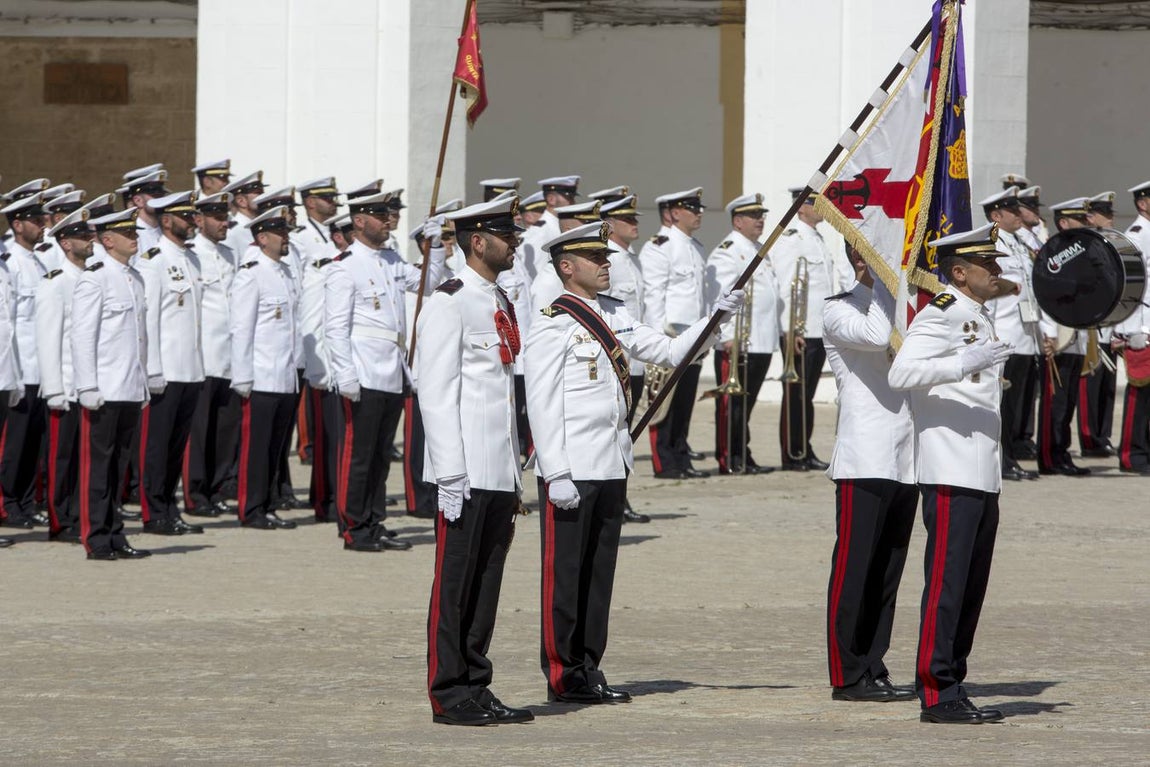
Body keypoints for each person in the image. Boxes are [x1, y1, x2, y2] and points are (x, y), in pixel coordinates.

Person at [525, 220, 742, 705]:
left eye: (605, 257)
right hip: (572, 468)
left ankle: (588, 667)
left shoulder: (616, 314)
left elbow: (665, 351)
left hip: (610, 462)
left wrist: (714, 321)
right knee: (565, 576)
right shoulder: (552, 321)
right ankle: (563, 673)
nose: (606, 264)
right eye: (595, 259)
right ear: (567, 266)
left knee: (598, 575)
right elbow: (539, 402)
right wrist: (555, 472)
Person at [888, 223, 1011, 725]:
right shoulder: (942, 313)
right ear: (959, 272)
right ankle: (937, 690)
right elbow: (901, 374)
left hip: (983, 467)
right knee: (946, 583)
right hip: (950, 466)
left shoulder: (979, 314)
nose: (997, 271)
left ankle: (953, 680)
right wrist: (963, 363)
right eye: (989, 265)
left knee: (970, 584)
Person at [418, 195, 533, 726]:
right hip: (464, 469)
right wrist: (449, 472)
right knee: (456, 583)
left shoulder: (499, 300)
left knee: (487, 583)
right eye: (507, 237)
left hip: (498, 467)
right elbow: (435, 391)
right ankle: (448, 691)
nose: (516, 244)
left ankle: (476, 682)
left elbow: (504, 391)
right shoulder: (451, 300)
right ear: (478, 242)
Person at [325, 192, 446, 551]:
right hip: (361, 371)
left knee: (379, 457)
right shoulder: (343, 266)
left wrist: (435, 247)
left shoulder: (391, 260)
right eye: (378, 214)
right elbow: (335, 327)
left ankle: (374, 521)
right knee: (358, 456)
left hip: (392, 370)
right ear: (359, 221)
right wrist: (344, 374)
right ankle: (353, 528)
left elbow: (430, 284)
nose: (387, 220)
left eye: (387, 213)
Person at [822, 246, 916, 703]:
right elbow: (878, 337)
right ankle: (847, 671)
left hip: (906, 454)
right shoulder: (838, 308)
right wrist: (884, 280)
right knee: (854, 567)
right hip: (864, 455)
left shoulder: (903, 304)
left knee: (887, 571)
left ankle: (874, 662)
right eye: (867, 253)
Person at [71, 208, 153, 561]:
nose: (134, 237)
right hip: (103, 390)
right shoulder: (95, 279)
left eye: (134, 232)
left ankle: (116, 534)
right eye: (126, 233)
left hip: (129, 388)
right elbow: (82, 336)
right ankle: (96, 538)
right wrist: (87, 385)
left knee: (119, 468)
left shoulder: (135, 278)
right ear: (107, 240)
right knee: (98, 469)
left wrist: (144, 381)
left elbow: (139, 338)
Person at [136, 191, 207, 536]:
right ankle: (153, 512)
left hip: (190, 368)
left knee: (177, 446)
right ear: (166, 221)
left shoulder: (191, 259)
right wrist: (152, 368)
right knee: (157, 446)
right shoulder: (153, 260)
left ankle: (169, 507)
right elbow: (148, 318)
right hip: (164, 370)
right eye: (185, 216)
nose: (192, 220)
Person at [229, 206, 302, 530]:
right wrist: (243, 375)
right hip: (260, 376)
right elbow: (241, 329)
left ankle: (269, 503)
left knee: (276, 448)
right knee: (256, 449)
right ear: (262, 237)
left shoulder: (285, 272)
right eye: (280, 233)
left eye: (286, 232)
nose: (286, 238)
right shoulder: (251, 273)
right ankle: (251, 508)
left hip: (285, 374)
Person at [772, 188, 849, 471]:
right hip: (800, 332)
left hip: (819, 329)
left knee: (807, 394)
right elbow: (785, 287)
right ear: (801, 207)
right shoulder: (791, 238)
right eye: (819, 204)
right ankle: (792, 453)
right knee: (796, 395)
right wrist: (792, 331)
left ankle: (804, 448)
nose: (824, 209)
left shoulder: (816, 238)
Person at [705, 193, 779, 475]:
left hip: (760, 339)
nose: (761, 220)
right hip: (737, 342)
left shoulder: (759, 248)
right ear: (738, 221)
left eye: (762, 215)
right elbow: (720, 296)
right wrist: (725, 336)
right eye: (754, 216)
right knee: (730, 404)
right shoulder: (727, 250)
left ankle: (742, 453)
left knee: (746, 404)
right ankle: (728, 457)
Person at [641, 187, 710, 479]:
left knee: (684, 401)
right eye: (692, 209)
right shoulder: (659, 246)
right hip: (670, 337)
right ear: (673, 213)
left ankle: (681, 456)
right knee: (664, 402)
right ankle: (664, 461)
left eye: (698, 209)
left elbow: (701, 296)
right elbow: (654, 296)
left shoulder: (697, 247)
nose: (699, 214)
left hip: (693, 336)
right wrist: (658, 341)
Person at [36, 207, 96, 543]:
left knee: (81, 458)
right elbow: (49, 340)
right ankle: (60, 520)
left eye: (90, 235)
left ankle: (78, 513)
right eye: (82, 236)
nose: (90, 241)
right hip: (65, 386)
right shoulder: (55, 283)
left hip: (86, 385)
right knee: (61, 458)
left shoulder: (92, 278)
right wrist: (55, 389)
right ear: (64, 242)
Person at [981, 188, 1042, 481]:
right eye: (1013, 211)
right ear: (996, 215)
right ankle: (1002, 461)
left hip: (1025, 335)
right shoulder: (992, 245)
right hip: (1004, 335)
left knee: (1018, 405)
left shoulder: (1019, 242)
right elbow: (989, 293)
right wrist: (988, 335)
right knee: (1003, 406)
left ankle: (1011, 457)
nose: (1019, 216)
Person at [0, 191, 51, 529]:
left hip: (39, 369)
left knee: (34, 444)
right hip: (19, 367)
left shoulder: (39, 261)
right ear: (17, 225)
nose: (42, 224)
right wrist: (14, 373)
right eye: (35, 220)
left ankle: (26, 501)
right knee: (14, 446)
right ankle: (9, 504)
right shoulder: (12, 263)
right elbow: (11, 325)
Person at [1036, 200, 1094, 476]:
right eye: (1079, 219)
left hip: (1078, 332)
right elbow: (1046, 294)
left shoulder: (1082, 252)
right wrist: (1048, 333)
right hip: (1059, 333)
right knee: (1055, 401)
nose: (1086, 222)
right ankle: (1049, 456)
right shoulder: (1054, 251)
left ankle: (1062, 453)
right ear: (1063, 222)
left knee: (1068, 399)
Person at [601, 195, 650, 523]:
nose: (635, 223)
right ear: (610, 225)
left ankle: (620, 497)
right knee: (617, 432)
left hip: (635, 358)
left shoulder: (631, 258)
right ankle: (615, 500)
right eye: (627, 219)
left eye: (634, 218)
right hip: (618, 360)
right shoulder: (610, 260)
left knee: (626, 433)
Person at [1113, 182, 1150, 473]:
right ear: (1142, 203)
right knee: (1139, 394)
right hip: (1142, 325)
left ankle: (1144, 449)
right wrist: (1127, 329)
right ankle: (1130, 454)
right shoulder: (1136, 236)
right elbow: (1128, 284)